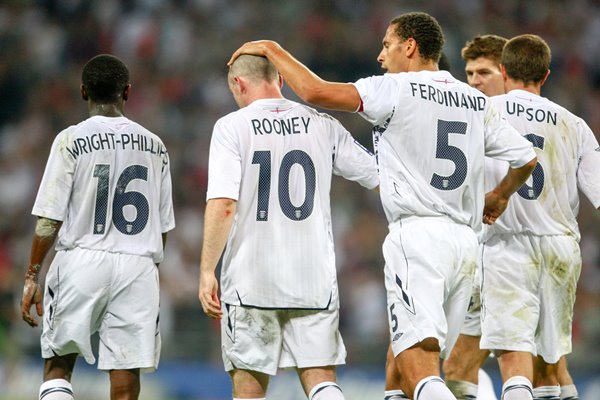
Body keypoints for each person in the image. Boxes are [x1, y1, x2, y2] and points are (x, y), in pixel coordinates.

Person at [229, 11, 537, 400]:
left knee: (417, 365)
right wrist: (501, 194)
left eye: (387, 45)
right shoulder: (475, 100)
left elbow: (315, 92)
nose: (380, 55)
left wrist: (272, 50)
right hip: (465, 245)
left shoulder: (393, 89)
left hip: (418, 237)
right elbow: (526, 159)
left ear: (409, 46)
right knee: (401, 363)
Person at [198, 54, 378, 400]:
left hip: (252, 279)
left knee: (249, 386)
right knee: (321, 378)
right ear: (280, 80)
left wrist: (207, 268)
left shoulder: (231, 127)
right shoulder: (323, 124)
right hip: (313, 277)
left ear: (238, 83)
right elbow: (377, 176)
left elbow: (223, 203)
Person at [20, 54, 175, 400]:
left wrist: (32, 275)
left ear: (83, 91)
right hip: (138, 264)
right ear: (128, 92)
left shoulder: (71, 139)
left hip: (81, 259)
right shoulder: (156, 146)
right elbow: (162, 226)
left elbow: (49, 220)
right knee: (125, 377)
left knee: (58, 364)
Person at [478, 34, 600, 400]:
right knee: (551, 365)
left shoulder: (483, 111)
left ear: (502, 69)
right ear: (545, 76)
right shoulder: (574, 124)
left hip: (507, 245)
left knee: (515, 360)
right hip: (561, 248)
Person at [442, 34, 508, 400]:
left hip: (500, 259)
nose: (474, 81)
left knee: (464, 368)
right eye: (469, 73)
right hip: (484, 257)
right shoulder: (555, 120)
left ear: (507, 71)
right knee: (458, 367)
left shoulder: (487, 123)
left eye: (483, 72)